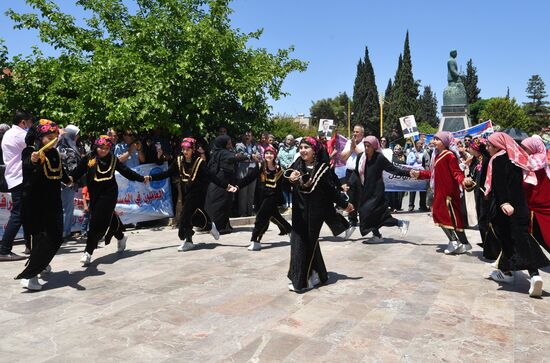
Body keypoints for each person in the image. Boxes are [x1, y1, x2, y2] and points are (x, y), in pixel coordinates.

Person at [483, 132, 549, 298]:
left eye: (490, 145)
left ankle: (522, 273)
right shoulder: (517, 159)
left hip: (506, 209)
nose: (487, 148)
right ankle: (527, 274)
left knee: (509, 240)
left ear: (498, 146)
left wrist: (504, 202)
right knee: (520, 240)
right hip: (521, 208)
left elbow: (499, 184)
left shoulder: (498, 159)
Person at [69, 135, 150, 266]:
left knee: (96, 221)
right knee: (108, 219)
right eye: (101, 147)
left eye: (107, 148)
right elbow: (78, 171)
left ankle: (88, 252)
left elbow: (126, 171)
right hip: (95, 194)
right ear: (96, 146)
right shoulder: (89, 158)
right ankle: (121, 236)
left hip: (109, 194)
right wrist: (70, 179)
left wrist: (141, 178)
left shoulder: (113, 159)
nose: (104, 150)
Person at [286, 136, 354, 292]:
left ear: (314, 150)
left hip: (315, 214)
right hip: (299, 212)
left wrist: (345, 205)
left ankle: (303, 280)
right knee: (300, 243)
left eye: (306, 147)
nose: (303, 150)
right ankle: (320, 274)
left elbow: (331, 191)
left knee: (305, 246)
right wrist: (290, 179)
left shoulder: (323, 169)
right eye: (301, 147)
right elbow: (285, 179)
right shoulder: (297, 164)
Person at [16, 120, 70, 290]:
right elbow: (26, 164)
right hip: (34, 203)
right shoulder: (31, 151)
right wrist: (32, 160)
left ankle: (42, 265)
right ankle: (31, 276)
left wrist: (70, 179)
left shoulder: (54, 153)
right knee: (39, 240)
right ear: (40, 137)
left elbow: (62, 174)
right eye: (49, 137)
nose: (53, 139)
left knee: (56, 238)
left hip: (53, 202)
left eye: (55, 136)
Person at [151, 138, 220, 251]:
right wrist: (151, 178)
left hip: (197, 194)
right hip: (185, 193)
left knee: (184, 216)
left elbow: (211, 176)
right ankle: (208, 227)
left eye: (188, 149)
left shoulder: (199, 162)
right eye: (183, 149)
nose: (185, 152)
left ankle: (187, 239)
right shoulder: (179, 161)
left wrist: (226, 186)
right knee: (195, 218)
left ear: (193, 149)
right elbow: (167, 173)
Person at [412, 132, 473, 255]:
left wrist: (463, 181)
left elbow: (456, 172)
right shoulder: (436, 155)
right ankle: (464, 243)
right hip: (440, 191)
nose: (434, 141)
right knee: (449, 218)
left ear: (444, 142)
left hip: (448, 193)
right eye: (434, 139)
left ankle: (454, 241)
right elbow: (432, 173)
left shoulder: (449, 155)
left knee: (444, 216)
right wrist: (420, 174)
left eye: (437, 139)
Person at [349, 136, 410, 242]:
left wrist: (408, 173)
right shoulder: (361, 157)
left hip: (377, 191)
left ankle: (393, 226)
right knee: (374, 214)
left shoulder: (379, 158)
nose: (366, 148)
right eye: (365, 146)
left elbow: (393, 169)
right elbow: (356, 172)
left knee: (368, 212)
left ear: (374, 147)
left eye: (369, 146)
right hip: (365, 190)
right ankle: (380, 234)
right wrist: (349, 184)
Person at [204, 135, 255, 234]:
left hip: (220, 181)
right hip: (222, 181)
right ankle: (218, 227)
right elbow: (233, 158)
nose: (230, 144)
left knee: (223, 203)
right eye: (228, 142)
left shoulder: (218, 152)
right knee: (220, 203)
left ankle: (218, 225)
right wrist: (249, 156)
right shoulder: (223, 153)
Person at [0, 111, 33, 261]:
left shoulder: (8, 133)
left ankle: (29, 245)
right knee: (18, 214)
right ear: (23, 122)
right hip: (20, 178)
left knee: (25, 213)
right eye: (30, 122)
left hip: (15, 177)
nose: (31, 126)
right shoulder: (19, 135)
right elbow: (39, 144)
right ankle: (4, 249)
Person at [248, 145, 292, 251]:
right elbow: (248, 178)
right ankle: (290, 230)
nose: (269, 155)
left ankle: (255, 240)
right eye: (267, 153)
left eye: (271, 153)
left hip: (272, 197)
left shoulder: (278, 169)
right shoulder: (260, 166)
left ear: (275, 155)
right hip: (260, 198)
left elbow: (284, 183)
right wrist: (237, 186)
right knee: (274, 216)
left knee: (261, 219)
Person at [466, 137, 497, 258]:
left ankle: (491, 248)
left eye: (472, 147)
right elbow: (472, 174)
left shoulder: (486, 160)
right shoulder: (474, 159)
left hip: (486, 195)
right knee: (481, 219)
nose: (469, 149)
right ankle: (486, 244)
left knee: (485, 220)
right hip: (478, 193)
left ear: (477, 148)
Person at [521, 136, 550, 253]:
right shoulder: (538, 161)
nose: (522, 150)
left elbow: (528, 185)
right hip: (537, 204)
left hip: (541, 205)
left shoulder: (534, 163)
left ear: (532, 148)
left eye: (525, 148)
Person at [57, 124, 82, 241]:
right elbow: (73, 169)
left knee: (60, 209)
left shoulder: (58, 147)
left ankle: (60, 232)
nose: (78, 137)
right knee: (67, 209)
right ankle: (64, 233)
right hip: (67, 184)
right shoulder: (70, 150)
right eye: (76, 135)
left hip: (58, 184)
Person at [340, 125, 365, 228]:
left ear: (362, 134)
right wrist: (351, 149)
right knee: (350, 197)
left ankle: (364, 219)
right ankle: (352, 220)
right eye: (354, 132)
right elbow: (343, 157)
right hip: (349, 173)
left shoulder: (365, 143)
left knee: (360, 197)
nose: (354, 134)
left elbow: (363, 155)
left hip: (360, 174)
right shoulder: (349, 143)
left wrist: (354, 147)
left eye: (357, 132)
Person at [235, 131, 260, 217]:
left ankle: (250, 212)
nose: (247, 136)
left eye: (249, 135)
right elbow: (241, 156)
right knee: (243, 193)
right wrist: (252, 157)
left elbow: (259, 156)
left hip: (253, 170)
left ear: (252, 136)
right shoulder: (239, 145)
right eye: (245, 135)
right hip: (243, 171)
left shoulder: (255, 145)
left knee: (251, 192)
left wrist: (250, 157)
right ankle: (242, 213)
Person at [406, 140, 428, 212]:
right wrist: (415, 158)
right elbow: (408, 162)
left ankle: (422, 205)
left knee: (423, 189)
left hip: (422, 172)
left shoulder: (424, 152)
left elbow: (426, 161)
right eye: (419, 143)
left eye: (421, 144)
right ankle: (411, 206)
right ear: (415, 145)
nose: (421, 145)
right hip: (413, 172)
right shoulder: (411, 153)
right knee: (413, 189)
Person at [278, 134, 297, 209]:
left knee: (292, 187)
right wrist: (285, 165)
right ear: (285, 140)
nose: (289, 141)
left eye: (291, 140)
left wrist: (291, 165)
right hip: (283, 170)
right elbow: (280, 158)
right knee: (284, 187)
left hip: (292, 170)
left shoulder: (295, 149)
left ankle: (291, 202)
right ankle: (286, 201)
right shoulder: (281, 149)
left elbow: (295, 158)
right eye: (288, 139)